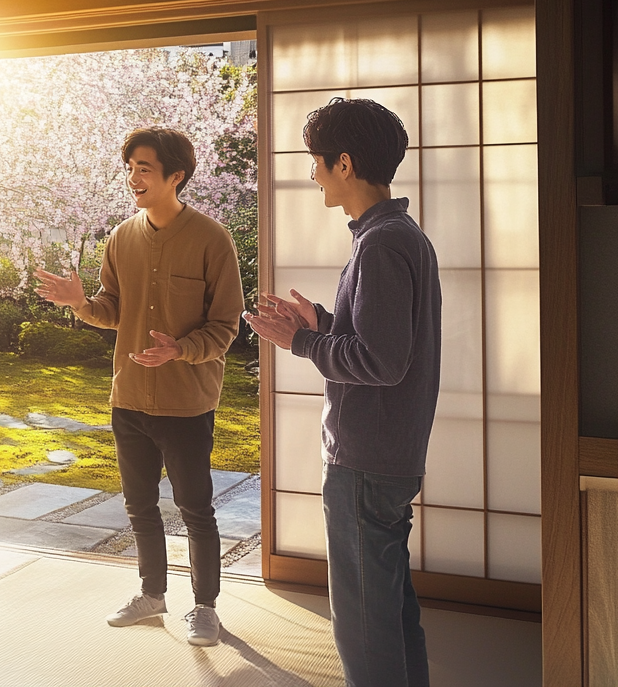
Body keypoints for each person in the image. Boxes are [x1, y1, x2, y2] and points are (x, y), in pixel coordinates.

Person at [244, 98, 440, 687]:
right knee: (391, 611)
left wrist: (301, 341)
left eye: (317, 161)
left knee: (362, 625)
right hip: (389, 455)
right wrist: (325, 323)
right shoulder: (398, 234)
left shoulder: (380, 243)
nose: (312, 174)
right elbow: (382, 341)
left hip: (366, 461)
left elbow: (381, 362)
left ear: (345, 164)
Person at [35, 127, 243, 647]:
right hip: (128, 397)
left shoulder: (212, 240)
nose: (133, 178)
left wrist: (180, 349)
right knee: (139, 506)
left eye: (144, 168)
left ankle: (205, 608)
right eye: (129, 168)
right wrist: (79, 304)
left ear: (177, 176)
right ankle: (151, 596)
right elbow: (112, 310)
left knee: (196, 508)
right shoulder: (120, 237)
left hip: (186, 402)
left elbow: (225, 327)